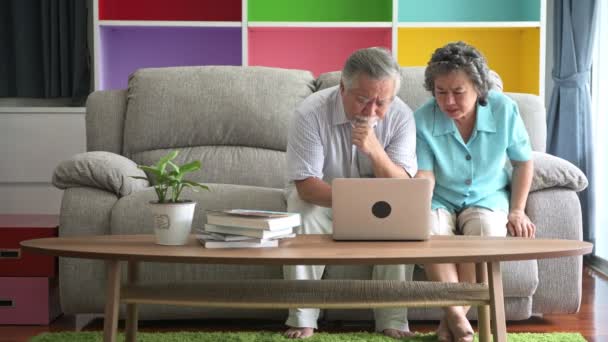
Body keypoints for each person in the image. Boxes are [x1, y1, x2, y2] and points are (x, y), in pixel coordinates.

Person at [284, 47, 417, 339]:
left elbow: (403, 187)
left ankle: (392, 319)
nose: (371, 111)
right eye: (362, 99)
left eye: (381, 103)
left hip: (382, 200)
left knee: (401, 225)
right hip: (322, 197)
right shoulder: (310, 113)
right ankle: (303, 318)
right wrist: (357, 202)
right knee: (302, 215)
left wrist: (375, 151)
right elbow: (307, 186)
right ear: (342, 87)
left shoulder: (402, 116)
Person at [414, 41, 536, 342]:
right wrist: (416, 208)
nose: (449, 101)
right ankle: (462, 324)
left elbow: (523, 163)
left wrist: (517, 210)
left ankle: (449, 325)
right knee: (428, 230)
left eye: (458, 92)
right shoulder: (422, 118)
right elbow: (426, 175)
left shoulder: (504, 109)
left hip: (488, 196)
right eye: (441, 92)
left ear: (479, 88)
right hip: (440, 196)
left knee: (483, 231)